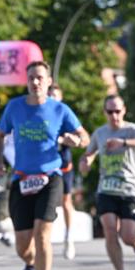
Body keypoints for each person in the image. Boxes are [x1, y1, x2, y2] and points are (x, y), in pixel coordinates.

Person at [0, 60, 89, 270]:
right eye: (31, 78)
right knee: (23, 246)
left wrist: (76, 140)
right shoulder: (15, 107)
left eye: (39, 78)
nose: (35, 82)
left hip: (50, 177)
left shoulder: (60, 110)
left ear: (48, 82)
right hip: (21, 178)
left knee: (43, 234)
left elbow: (85, 137)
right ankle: (30, 264)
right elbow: (0, 135)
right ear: (26, 82)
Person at [79, 93, 135, 270]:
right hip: (106, 189)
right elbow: (89, 153)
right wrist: (86, 162)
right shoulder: (100, 133)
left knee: (127, 235)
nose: (114, 116)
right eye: (110, 112)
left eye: (117, 111)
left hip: (129, 189)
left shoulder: (132, 130)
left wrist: (124, 143)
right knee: (110, 230)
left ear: (124, 110)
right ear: (105, 112)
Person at [48, 84, 77, 259]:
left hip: (64, 165)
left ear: (61, 98)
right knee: (47, 201)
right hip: (45, 166)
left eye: (55, 95)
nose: (52, 98)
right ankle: (44, 236)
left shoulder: (65, 115)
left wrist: (70, 139)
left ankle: (69, 236)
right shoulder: (40, 113)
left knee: (66, 201)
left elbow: (78, 137)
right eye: (50, 95)